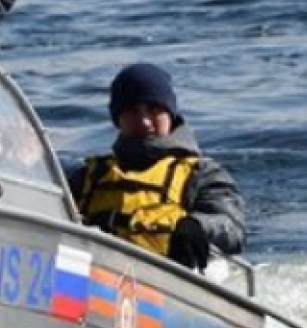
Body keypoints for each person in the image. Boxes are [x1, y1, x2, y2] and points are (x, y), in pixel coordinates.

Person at [68, 63, 246, 272]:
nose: (144, 122)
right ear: (117, 119)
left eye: (154, 110)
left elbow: (232, 228)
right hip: (96, 278)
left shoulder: (201, 174)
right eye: (133, 111)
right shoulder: (89, 177)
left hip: (171, 283)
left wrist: (196, 225)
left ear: (170, 114)